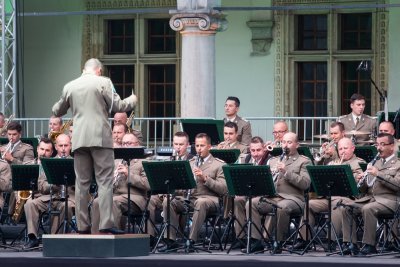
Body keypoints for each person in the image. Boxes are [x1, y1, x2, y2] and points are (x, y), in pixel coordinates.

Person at [52, 58, 137, 235]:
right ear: (98, 70)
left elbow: (57, 111)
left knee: (81, 182)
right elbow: (118, 106)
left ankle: (83, 225)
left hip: (79, 139)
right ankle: (105, 223)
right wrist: (133, 99)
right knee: (104, 181)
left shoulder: (70, 85)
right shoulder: (103, 82)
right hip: (100, 138)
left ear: (84, 70)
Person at [158, 133, 227, 252]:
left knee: (200, 202)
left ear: (209, 147)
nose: (199, 148)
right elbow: (182, 186)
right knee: (168, 201)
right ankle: (171, 240)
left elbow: (223, 189)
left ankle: (191, 240)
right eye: (197, 146)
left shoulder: (219, 164)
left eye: (202, 146)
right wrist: (171, 190)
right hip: (190, 198)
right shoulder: (190, 163)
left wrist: (206, 178)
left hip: (209, 199)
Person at [245, 132, 311, 253]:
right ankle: (256, 241)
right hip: (273, 197)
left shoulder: (304, 161)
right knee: (251, 203)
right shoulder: (273, 160)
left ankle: (278, 242)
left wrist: (286, 172)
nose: (285, 145)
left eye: (289, 142)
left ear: (297, 145)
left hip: (294, 198)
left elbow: (305, 184)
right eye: (284, 142)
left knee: (282, 207)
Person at [294, 137, 365, 251]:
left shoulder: (359, 163)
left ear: (353, 148)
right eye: (340, 148)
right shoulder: (333, 162)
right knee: (310, 204)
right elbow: (319, 178)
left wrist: (343, 173)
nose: (342, 151)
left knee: (337, 203)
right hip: (329, 197)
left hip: (349, 198)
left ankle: (331, 240)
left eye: (345, 148)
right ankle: (303, 238)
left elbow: (360, 183)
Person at [339, 133, 400, 255]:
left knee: (368, 209)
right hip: (371, 199)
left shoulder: (398, 163)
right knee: (346, 207)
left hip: (390, 201)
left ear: (392, 146)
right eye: (377, 144)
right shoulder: (375, 163)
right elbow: (364, 190)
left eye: (383, 144)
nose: (379, 148)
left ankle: (369, 245)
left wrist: (378, 174)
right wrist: (362, 181)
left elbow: (397, 184)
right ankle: (351, 244)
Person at [91, 133, 149, 234]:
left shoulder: (143, 162)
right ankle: (97, 236)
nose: (126, 146)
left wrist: (128, 174)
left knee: (114, 202)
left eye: (129, 143)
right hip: (116, 195)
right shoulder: (117, 161)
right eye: (123, 144)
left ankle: (116, 237)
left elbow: (147, 184)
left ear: (137, 144)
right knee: (97, 201)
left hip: (136, 198)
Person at [23, 135, 75, 249]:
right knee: (30, 204)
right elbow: (41, 185)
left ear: (70, 146)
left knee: (67, 206)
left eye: (66, 145)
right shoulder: (49, 162)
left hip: (69, 197)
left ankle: (57, 239)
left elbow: (85, 184)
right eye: (60, 145)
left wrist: (72, 181)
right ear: (56, 147)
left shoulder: (76, 163)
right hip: (50, 197)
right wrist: (53, 184)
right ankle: (33, 237)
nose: (63, 149)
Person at [148, 131, 194, 244]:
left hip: (182, 198)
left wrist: (170, 191)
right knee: (149, 201)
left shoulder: (193, 162)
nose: (178, 147)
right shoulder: (168, 160)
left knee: (168, 201)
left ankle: (170, 239)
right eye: (176, 144)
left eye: (181, 144)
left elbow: (189, 186)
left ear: (187, 145)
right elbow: (161, 181)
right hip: (166, 195)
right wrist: (162, 192)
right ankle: (149, 237)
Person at [231, 136, 270, 249]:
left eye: (258, 150)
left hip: (263, 196)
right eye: (253, 150)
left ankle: (254, 240)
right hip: (248, 193)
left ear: (264, 149)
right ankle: (240, 237)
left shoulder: (270, 160)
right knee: (238, 199)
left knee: (250, 203)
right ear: (249, 149)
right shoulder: (245, 159)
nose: (255, 153)